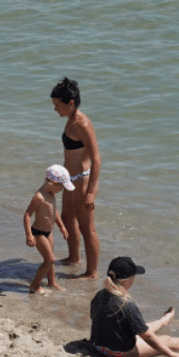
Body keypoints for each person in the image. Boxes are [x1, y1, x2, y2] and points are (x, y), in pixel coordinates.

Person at [88, 257, 179, 357]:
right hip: (116, 352)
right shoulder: (126, 304)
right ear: (127, 281)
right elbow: (147, 336)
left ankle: (164, 320)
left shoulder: (100, 295)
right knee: (167, 340)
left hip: (97, 344)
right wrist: (169, 353)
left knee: (142, 326)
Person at [50, 77, 101, 279]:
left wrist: (91, 193)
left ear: (70, 103)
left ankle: (92, 272)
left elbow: (96, 159)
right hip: (70, 180)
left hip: (82, 181)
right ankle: (73, 258)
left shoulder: (82, 124)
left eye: (57, 105)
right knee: (66, 219)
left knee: (87, 229)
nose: (55, 109)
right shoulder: (70, 121)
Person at [24, 165, 72, 295]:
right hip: (38, 232)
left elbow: (53, 211)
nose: (61, 190)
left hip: (48, 232)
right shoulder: (39, 197)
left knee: (51, 259)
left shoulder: (51, 193)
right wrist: (29, 235)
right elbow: (27, 215)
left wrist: (62, 226)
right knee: (49, 259)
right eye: (61, 187)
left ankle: (52, 282)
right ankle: (34, 286)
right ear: (54, 183)